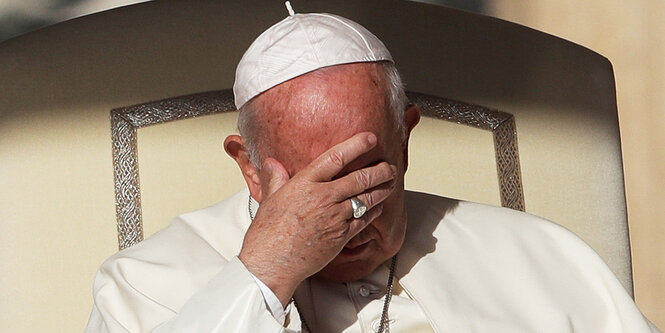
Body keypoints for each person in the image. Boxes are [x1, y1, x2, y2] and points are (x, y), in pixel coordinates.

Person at [85, 6, 661, 333]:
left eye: (368, 176)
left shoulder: (542, 258)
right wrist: (262, 274)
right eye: (315, 183)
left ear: (406, 140)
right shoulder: (142, 285)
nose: (350, 216)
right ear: (250, 169)